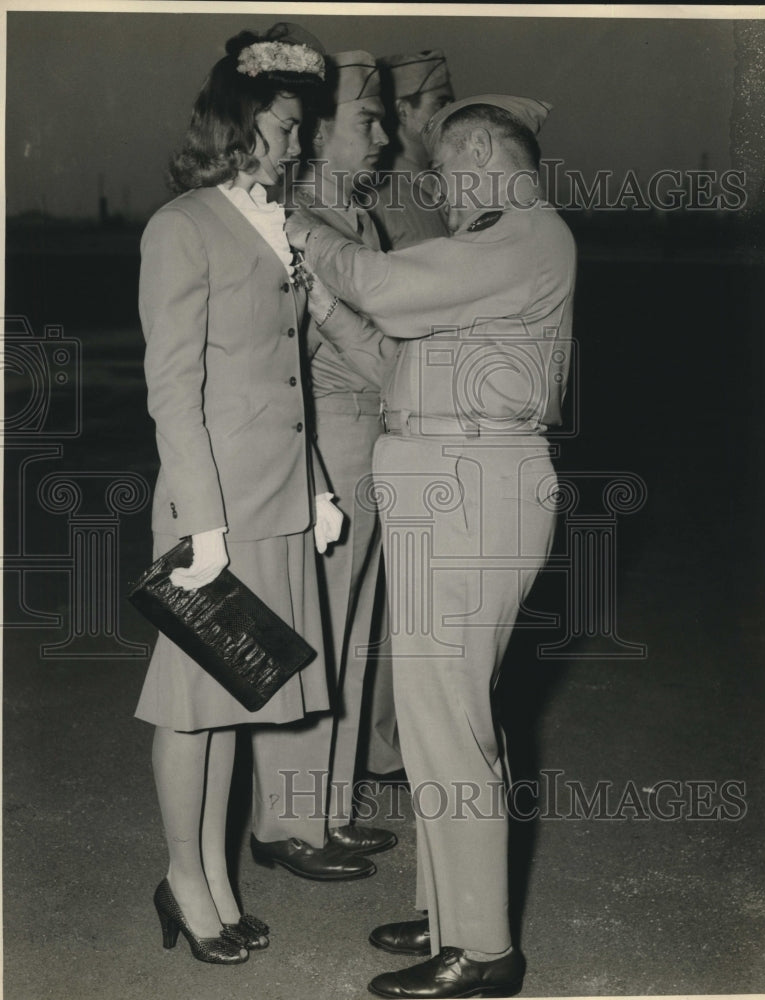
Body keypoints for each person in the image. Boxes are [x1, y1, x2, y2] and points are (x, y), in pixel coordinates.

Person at [287, 94, 574, 998]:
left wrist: (298, 228)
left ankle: (483, 950)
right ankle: (454, 908)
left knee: (448, 723)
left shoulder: (523, 233)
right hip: (449, 484)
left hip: (473, 489)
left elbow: (385, 288)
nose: (442, 197)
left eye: (448, 175)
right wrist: (326, 302)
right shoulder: (492, 255)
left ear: (485, 152)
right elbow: (389, 358)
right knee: (439, 718)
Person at [134, 23, 345, 965]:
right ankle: (186, 879)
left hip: (275, 501)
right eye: (287, 127)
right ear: (240, 123)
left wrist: (321, 488)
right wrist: (204, 524)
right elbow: (172, 387)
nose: (298, 144)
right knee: (190, 705)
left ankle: (213, 879)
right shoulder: (181, 227)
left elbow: (291, 381)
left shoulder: (275, 223)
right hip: (211, 511)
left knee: (233, 702)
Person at [265, 49, 398, 862]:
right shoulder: (296, 226)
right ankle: (285, 823)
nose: (382, 135)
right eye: (366, 118)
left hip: (371, 445)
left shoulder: (359, 220)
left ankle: (330, 805)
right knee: (308, 633)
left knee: (351, 635)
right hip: (326, 448)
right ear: (313, 133)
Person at [363, 49, 455, 784]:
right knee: (389, 590)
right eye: (437, 101)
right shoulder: (390, 190)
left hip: (432, 408)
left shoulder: (431, 186)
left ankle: (385, 745)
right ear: (400, 114)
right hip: (394, 409)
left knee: (410, 590)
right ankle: (377, 747)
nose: (446, 115)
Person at [371, 49, 454, 252]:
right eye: (441, 104)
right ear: (403, 111)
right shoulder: (380, 197)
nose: (451, 115)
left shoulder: (449, 184)